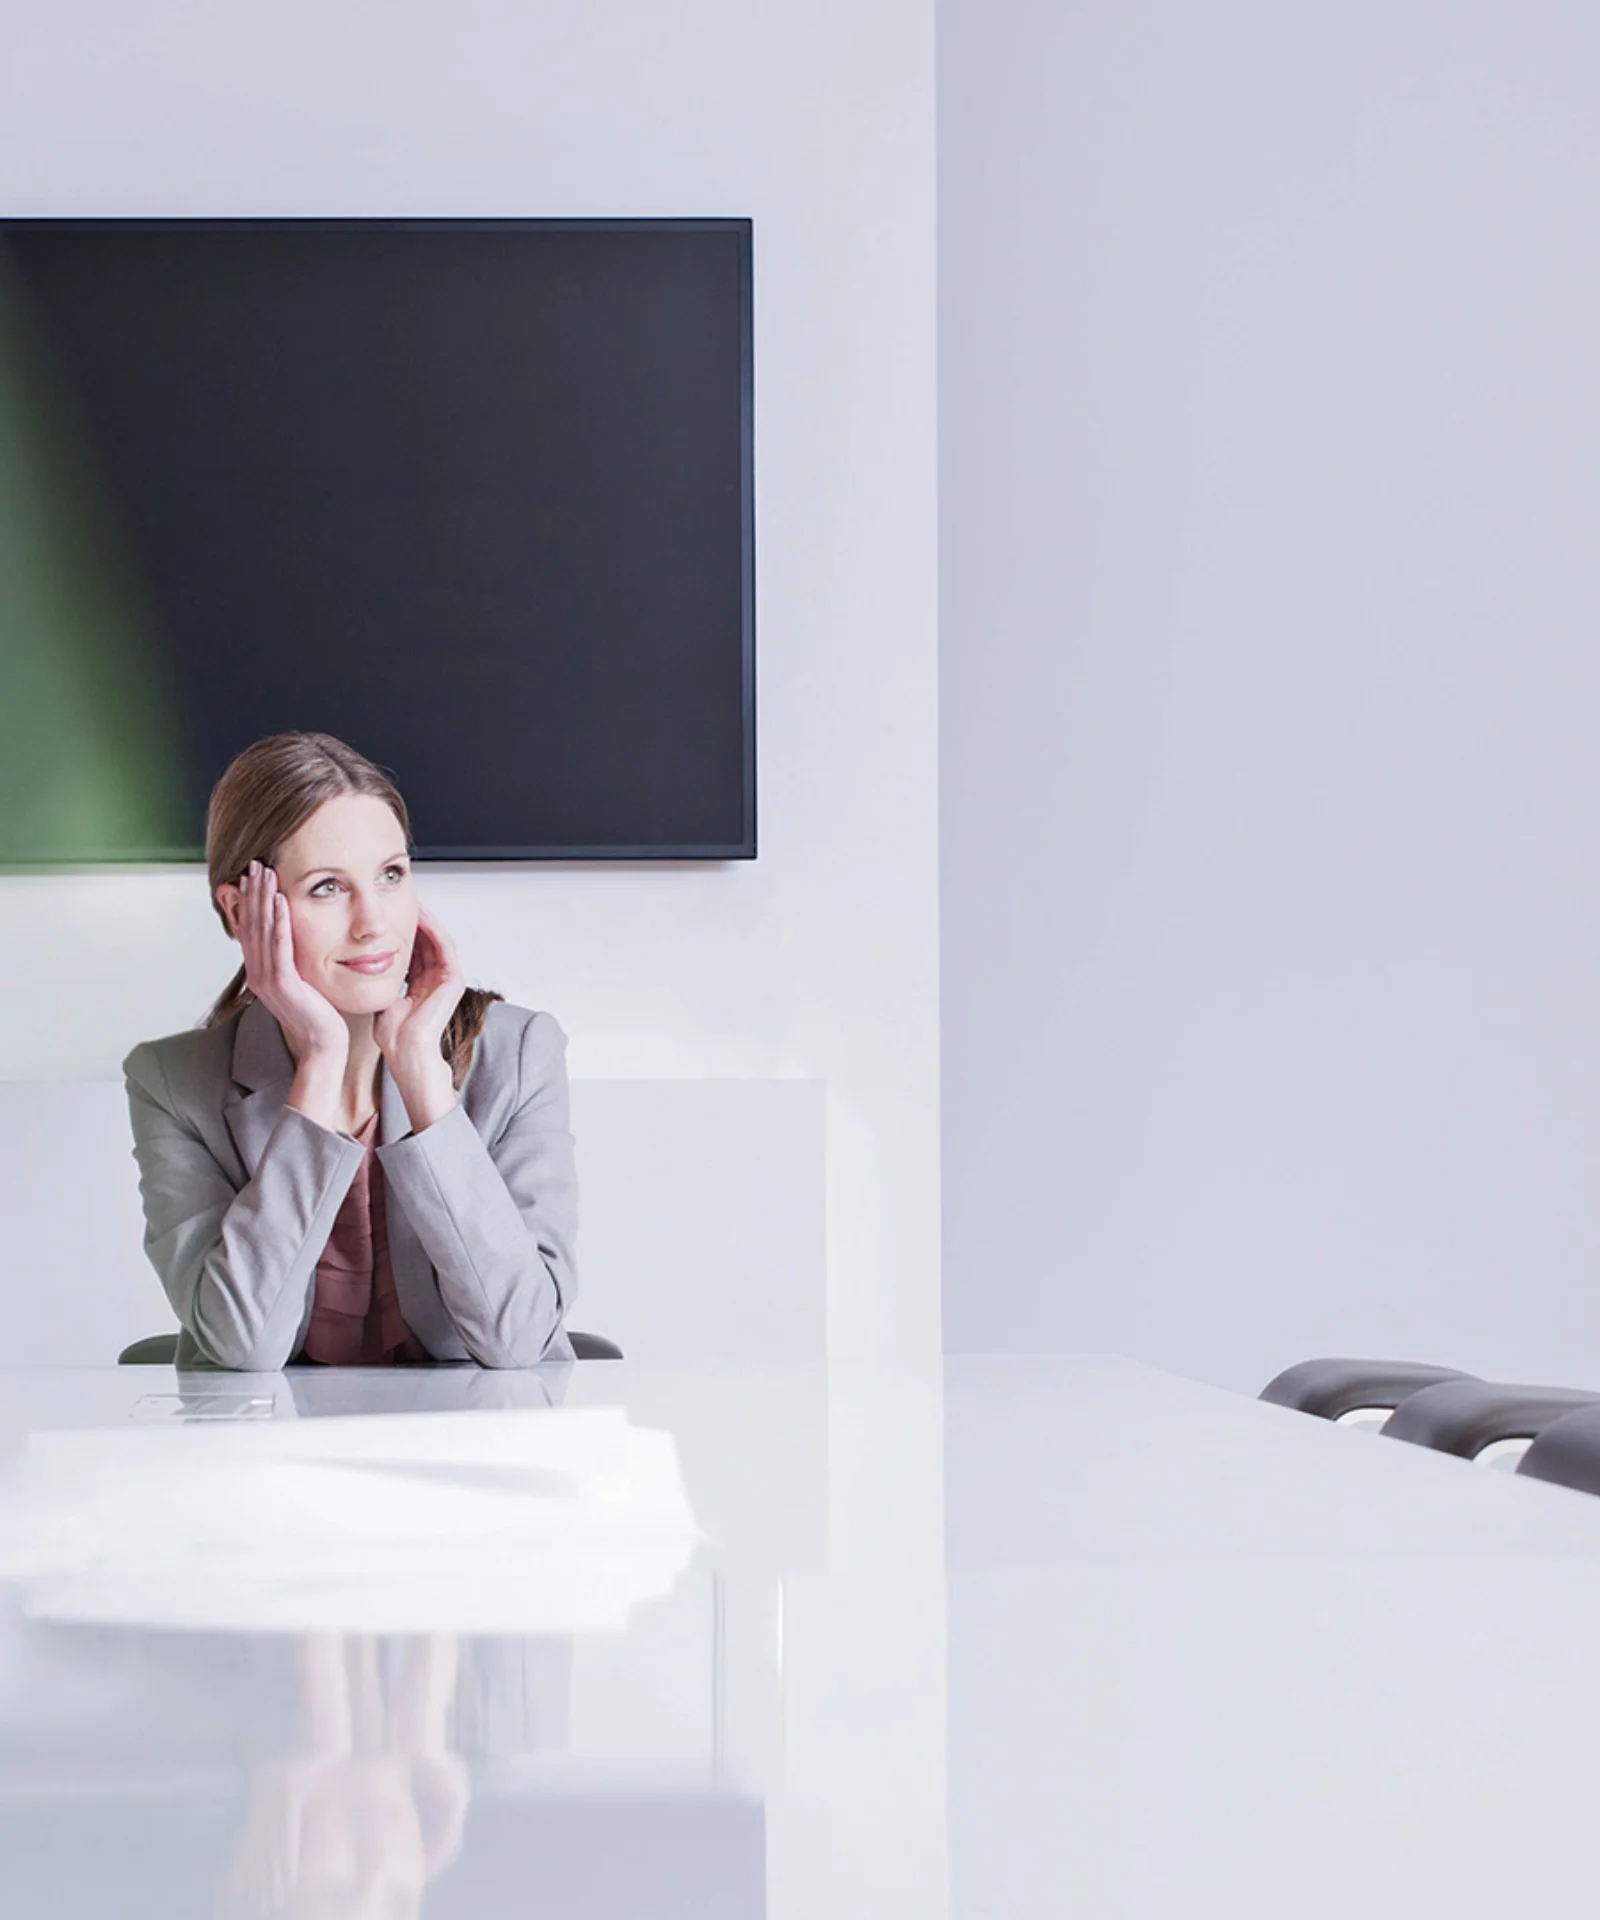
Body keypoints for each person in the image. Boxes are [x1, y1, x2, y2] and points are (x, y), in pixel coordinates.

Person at [122, 732, 577, 1370]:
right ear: (239, 910)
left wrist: (424, 1080)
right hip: (272, 1434)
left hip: (475, 1427)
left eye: (391, 875)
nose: (373, 923)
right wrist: (319, 1062)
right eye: (327, 888)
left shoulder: (520, 1055)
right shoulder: (173, 1084)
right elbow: (242, 1346)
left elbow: (517, 1340)